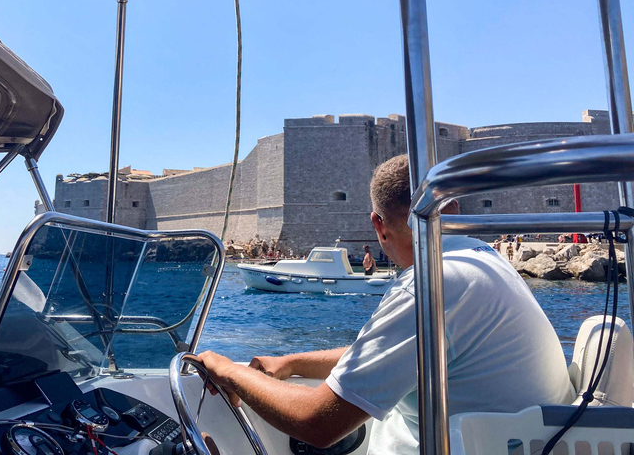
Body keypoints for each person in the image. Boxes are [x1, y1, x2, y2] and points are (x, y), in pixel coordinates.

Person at [196, 154, 573, 454]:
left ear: (378, 225)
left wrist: (226, 369)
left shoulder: (430, 287)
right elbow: (398, 352)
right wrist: (293, 362)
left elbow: (317, 424)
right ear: (453, 210)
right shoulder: (483, 260)